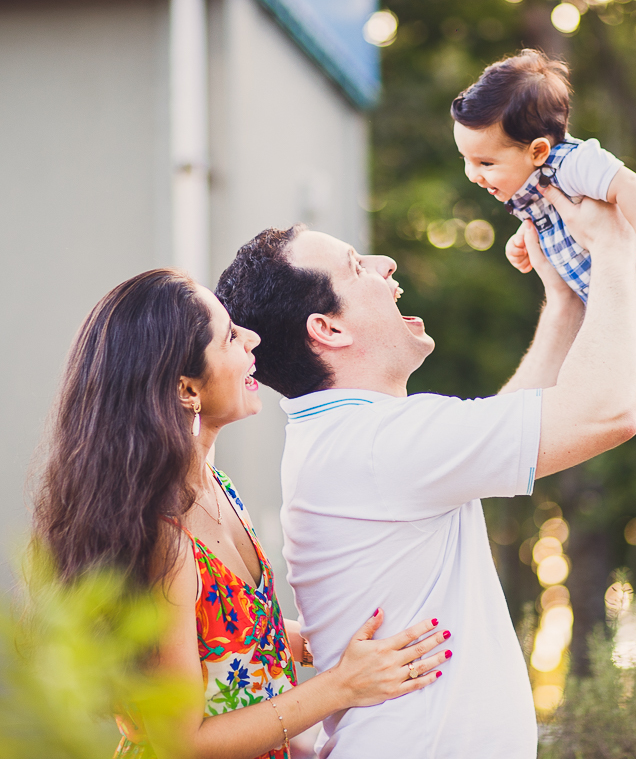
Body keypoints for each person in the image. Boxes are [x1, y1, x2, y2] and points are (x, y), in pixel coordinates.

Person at [214, 191, 636, 757]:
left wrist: (562, 301)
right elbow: (605, 413)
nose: (384, 265)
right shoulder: (377, 445)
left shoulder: (358, 437)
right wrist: (615, 247)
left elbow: (510, 428)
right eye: (355, 265)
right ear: (329, 330)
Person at [31, 269, 452, 759]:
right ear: (187, 389)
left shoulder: (216, 488)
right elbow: (182, 741)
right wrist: (342, 684)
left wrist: (319, 639)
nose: (252, 338)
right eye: (229, 335)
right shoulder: (165, 541)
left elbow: (234, 640)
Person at [451, 48, 636, 511]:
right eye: (468, 161)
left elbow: (629, 186)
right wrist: (522, 239)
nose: (474, 175)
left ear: (538, 150)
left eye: (486, 163)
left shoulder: (574, 164)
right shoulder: (531, 183)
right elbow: (548, 215)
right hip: (621, 302)